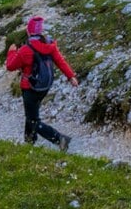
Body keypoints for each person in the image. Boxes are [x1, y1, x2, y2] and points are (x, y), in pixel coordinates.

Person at [5, 16, 78, 149]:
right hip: (44, 87)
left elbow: (10, 66)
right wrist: (71, 76)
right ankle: (29, 143)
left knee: (33, 120)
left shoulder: (25, 50)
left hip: (30, 88)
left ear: (28, 31)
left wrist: (11, 52)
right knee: (31, 114)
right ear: (41, 31)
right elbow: (60, 61)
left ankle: (60, 139)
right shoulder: (49, 44)